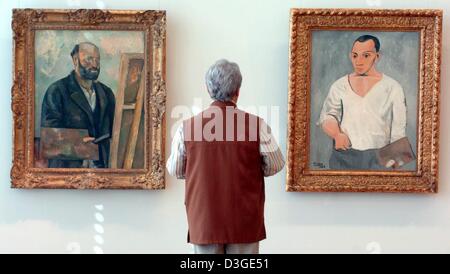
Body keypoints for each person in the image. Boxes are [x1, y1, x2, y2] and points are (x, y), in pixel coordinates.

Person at [166, 59, 285, 254]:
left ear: (208, 88)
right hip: (245, 219)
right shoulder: (257, 125)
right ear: (237, 90)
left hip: (204, 220)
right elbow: (276, 164)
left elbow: (176, 170)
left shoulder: (186, 128)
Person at [318, 35, 407, 170]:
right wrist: (337, 134)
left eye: (366, 56)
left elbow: (398, 131)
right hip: (344, 156)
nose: (358, 61)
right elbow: (328, 116)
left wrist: (394, 166)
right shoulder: (339, 85)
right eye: (355, 56)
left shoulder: (393, 87)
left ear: (377, 57)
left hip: (380, 157)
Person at [41, 42, 115, 168]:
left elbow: (115, 131)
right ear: (75, 60)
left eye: (97, 60)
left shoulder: (106, 93)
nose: (95, 65)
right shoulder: (56, 91)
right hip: (67, 172)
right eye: (89, 59)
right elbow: (49, 141)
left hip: (102, 171)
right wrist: (77, 144)